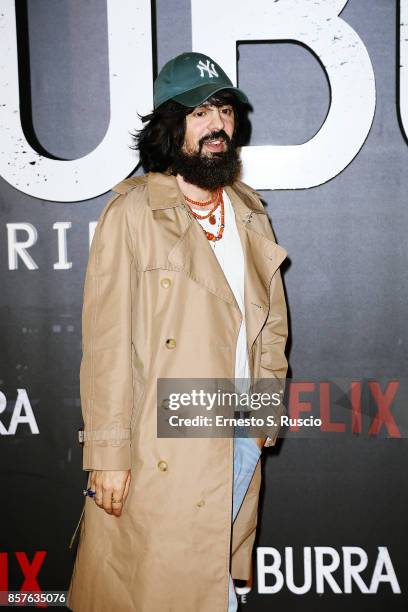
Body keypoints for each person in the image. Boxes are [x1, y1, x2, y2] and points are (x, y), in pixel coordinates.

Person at [68, 51, 288, 612]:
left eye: (225, 110)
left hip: (236, 433)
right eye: (200, 113)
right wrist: (108, 455)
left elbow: (271, 329)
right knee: (161, 592)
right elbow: (108, 345)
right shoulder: (135, 212)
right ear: (171, 126)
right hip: (163, 440)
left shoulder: (249, 213)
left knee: (214, 590)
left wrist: (264, 415)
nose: (218, 125)